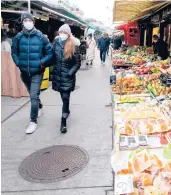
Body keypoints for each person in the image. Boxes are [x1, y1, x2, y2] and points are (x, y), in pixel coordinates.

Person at [11, 12, 53, 134]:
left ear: (33, 22)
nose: (27, 22)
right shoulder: (18, 37)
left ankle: (33, 121)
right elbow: (14, 52)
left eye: (29, 20)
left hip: (37, 72)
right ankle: (39, 106)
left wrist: (41, 62)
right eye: (25, 20)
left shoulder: (41, 37)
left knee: (33, 96)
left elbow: (49, 53)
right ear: (23, 22)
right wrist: (18, 62)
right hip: (24, 72)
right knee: (33, 95)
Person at [52, 24, 81, 133]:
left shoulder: (73, 45)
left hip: (67, 77)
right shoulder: (56, 43)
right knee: (62, 97)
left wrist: (70, 73)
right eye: (61, 32)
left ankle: (63, 122)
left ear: (68, 34)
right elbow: (52, 57)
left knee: (65, 98)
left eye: (64, 33)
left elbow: (77, 63)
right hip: (58, 76)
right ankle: (67, 110)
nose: (62, 34)